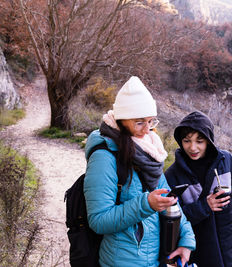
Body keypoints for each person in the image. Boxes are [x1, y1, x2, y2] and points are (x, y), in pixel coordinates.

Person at [83, 76, 195, 266]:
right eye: (139, 122)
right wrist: (146, 204)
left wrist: (186, 240)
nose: (147, 130)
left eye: (151, 121)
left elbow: (169, 198)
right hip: (120, 260)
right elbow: (99, 220)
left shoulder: (148, 150)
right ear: (122, 120)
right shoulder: (104, 156)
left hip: (153, 259)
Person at [165, 111, 232, 267]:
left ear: (209, 141)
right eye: (187, 141)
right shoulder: (173, 175)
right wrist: (204, 206)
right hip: (199, 252)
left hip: (228, 248)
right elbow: (173, 220)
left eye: (200, 141)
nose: (193, 147)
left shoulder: (226, 162)